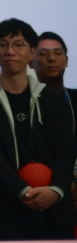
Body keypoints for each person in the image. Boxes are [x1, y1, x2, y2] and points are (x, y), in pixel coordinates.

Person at [0, 19, 76, 239]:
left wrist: (56, 190)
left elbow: (65, 150)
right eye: (2, 45)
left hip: (53, 210)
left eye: (18, 44)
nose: (10, 51)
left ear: (31, 52)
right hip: (4, 209)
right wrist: (22, 191)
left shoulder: (53, 100)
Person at [32, 32, 76, 209]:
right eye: (43, 54)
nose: (52, 58)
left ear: (66, 60)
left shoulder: (73, 98)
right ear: (30, 61)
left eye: (57, 53)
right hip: (42, 187)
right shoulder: (26, 103)